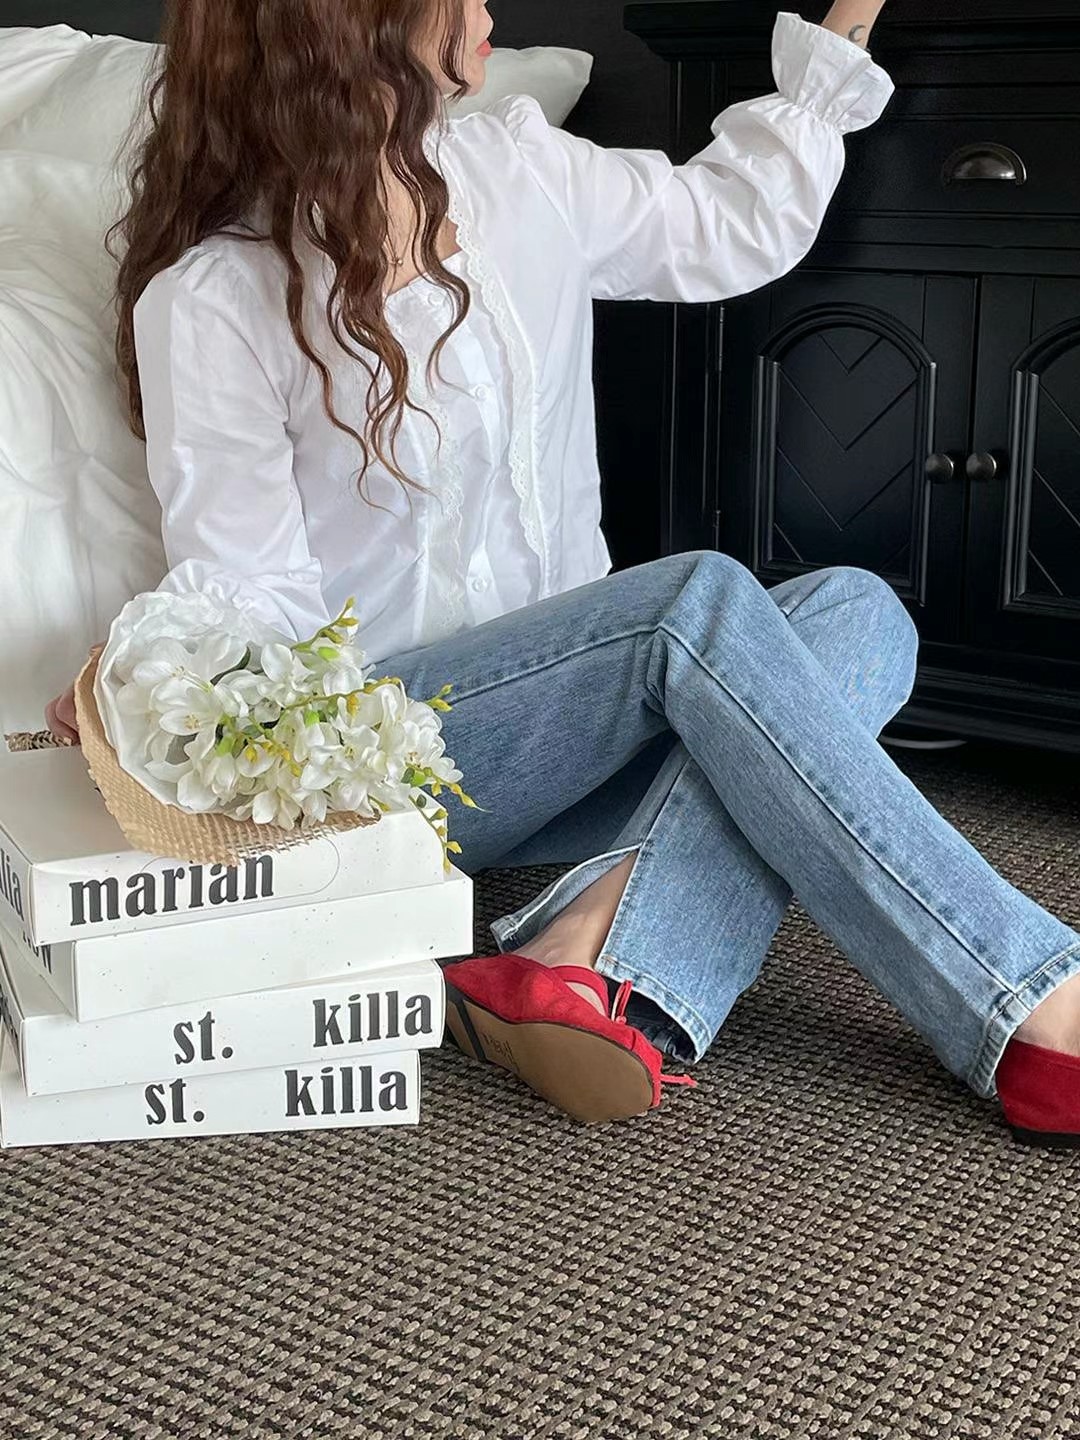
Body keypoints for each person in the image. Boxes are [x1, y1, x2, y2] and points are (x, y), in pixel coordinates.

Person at [46, 0, 1080, 1145]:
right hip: (398, 756)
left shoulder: (517, 172)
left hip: (586, 741)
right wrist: (154, 681)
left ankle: (582, 955)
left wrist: (848, 18)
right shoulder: (214, 296)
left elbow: (730, 220)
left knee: (861, 612)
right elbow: (253, 592)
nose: (487, 12)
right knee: (696, 603)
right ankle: (1025, 999)